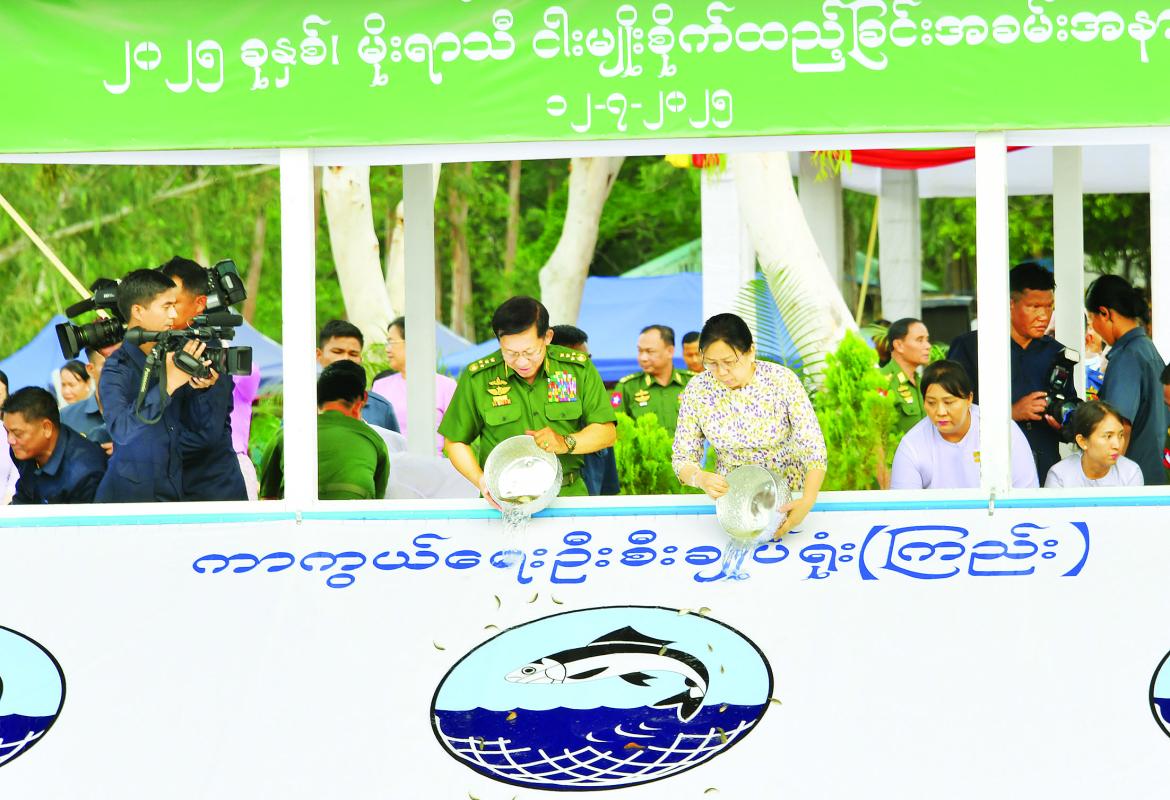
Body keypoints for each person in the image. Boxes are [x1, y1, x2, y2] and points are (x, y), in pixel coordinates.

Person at [439, 296, 616, 503]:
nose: (522, 362)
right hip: (503, 500)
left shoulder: (577, 369)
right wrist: (480, 480)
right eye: (511, 353)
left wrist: (565, 442)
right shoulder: (479, 377)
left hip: (566, 496)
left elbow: (606, 432)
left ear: (547, 337)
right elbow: (455, 441)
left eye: (530, 352)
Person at [672, 313, 826, 538]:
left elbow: (814, 450)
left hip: (789, 498)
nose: (721, 372)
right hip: (735, 506)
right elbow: (682, 457)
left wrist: (808, 499)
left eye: (729, 362)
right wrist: (700, 478)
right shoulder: (698, 390)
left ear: (751, 351)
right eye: (711, 363)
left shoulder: (781, 381)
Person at [94, 269, 221, 503]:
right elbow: (121, 431)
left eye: (175, 305)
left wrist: (203, 388)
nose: (174, 314)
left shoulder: (172, 357)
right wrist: (168, 385)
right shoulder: (116, 368)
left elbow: (201, 431)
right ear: (138, 311)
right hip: (128, 501)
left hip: (173, 492)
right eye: (166, 306)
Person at [948, 261, 1077, 481]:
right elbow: (951, 411)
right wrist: (1010, 413)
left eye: (1049, 306)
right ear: (1010, 304)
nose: (1044, 316)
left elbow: (1069, 412)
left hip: (1044, 472)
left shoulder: (1057, 353)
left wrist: (1063, 423)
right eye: (1034, 306)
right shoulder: (971, 348)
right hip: (985, 472)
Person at [159, 257, 248, 501]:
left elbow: (204, 437)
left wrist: (146, 447)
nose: (168, 311)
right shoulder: (163, 344)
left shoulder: (207, 349)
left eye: (174, 303)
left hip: (211, 497)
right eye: (162, 303)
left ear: (199, 304)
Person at [890, 360, 1039, 490]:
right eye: (931, 403)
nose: (940, 412)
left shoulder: (1002, 431)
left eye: (948, 402)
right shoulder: (912, 445)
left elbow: (1027, 494)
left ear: (969, 399)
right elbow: (904, 508)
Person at [258, 360, 389, 501]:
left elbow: (268, 498)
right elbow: (378, 500)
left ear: (317, 396)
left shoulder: (287, 434)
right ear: (362, 399)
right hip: (357, 513)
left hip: (299, 512)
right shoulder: (374, 440)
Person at [1084, 274, 1168, 485]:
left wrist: (1106, 481)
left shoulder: (1126, 357)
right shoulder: (1147, 348)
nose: (1092, 327)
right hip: (1155, 477)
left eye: (1091, 319)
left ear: (1105, 313)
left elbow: (1120, 427)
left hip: (1131, 483)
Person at [3, 386, 107, 504]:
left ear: (46, 428)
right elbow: (23, 496)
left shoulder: (84, 471)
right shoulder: (21, 451)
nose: (10, 440)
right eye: (7, 431)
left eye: (17, 433)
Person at [370, 316, 457, 452]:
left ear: (412, 342)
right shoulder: (380, 386)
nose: (387, 349)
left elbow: (455, 439)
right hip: (391, 463)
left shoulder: (446, 386)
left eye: (391, 342)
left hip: (433, 463)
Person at [552, 323, 619, 496]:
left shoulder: (598, 417)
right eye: (575, 361)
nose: (584, 367)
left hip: (591, 506)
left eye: (587, 359)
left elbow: (608, 489)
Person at [317, 320, 399, 433]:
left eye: (353, 354)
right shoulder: (301, 401)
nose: (346, 358)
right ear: (318, 355)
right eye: (337, 352)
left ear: (360, 359)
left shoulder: (381, 408)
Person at [613, 324, 693, 436]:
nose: (643, 358)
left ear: (670, 351)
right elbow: (615, 430)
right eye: (640, 351)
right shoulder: (627, 387)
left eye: (650, 351)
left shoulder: (694, 383)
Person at [1044, 400, 1143, 488]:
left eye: (1120, 435)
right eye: (1108, 436)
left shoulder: (1131, 473)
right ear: (1082, 441)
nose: (1117, 445)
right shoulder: (1059, 476)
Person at [879, 318, 930, 435]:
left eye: (927, 340)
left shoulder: (923, 382)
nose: (928, 346)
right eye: (920, 340)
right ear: (899, 345)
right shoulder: (882, 382)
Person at [60, 345, 115, 451]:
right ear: (90, 369)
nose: (117, 369)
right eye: (108, 364)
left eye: (122, 362)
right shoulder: (66, 417)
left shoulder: (139, 407)